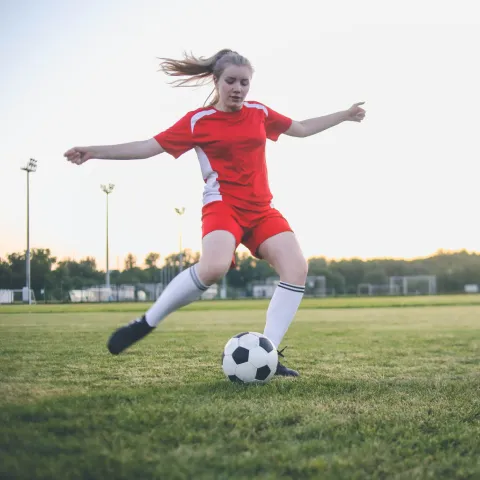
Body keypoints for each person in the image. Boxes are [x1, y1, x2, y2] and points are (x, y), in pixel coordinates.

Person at [64, 49, 366, 377]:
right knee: (214, 268)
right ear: (217, 81)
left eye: (244, 82)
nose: (238, 88)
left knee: (296, 269)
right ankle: (145, 322)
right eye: (231, 81)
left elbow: (302, 128)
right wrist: (94, 152)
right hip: (223, 206)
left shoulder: (259, 112)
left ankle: (270, 353)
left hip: (262, 210)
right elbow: (148, 147)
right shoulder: (198, 121)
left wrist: (346, 114)